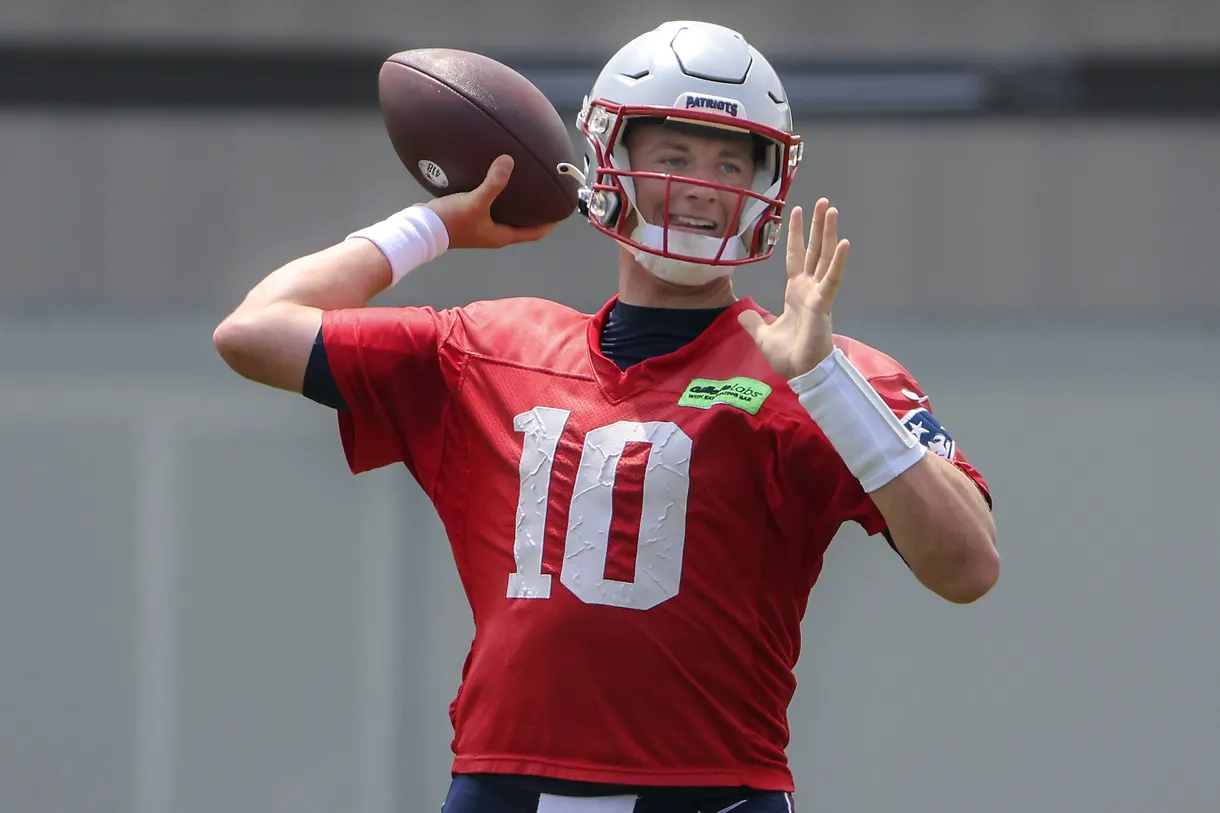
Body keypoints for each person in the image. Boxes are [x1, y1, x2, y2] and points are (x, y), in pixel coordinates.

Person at [213, 20, 998, 813]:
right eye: (675, 155)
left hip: (710, 793)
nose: (702, 183)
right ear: (610, 159)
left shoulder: (824, 373)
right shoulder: (489, 347)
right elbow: (254, 330)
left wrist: (828, 383)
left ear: (770, 182)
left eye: (731, 160)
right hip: (502, 788)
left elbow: (968, 567)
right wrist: (437, 225)